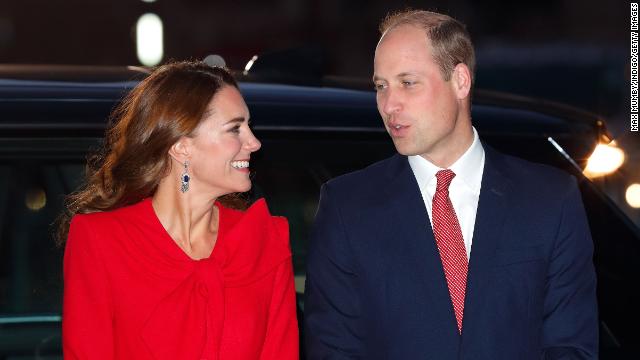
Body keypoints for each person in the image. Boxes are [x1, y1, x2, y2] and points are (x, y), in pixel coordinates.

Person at [304, 9, 598, 359]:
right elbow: (335, 351)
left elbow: (571, 346)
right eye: (380, 86)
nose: (388, 104)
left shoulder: (550, 198)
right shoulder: (347, 206)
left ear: (460, 80)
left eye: (407, 83)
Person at [59, 61, 298, 360]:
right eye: (235, 128)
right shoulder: (101, 241)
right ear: (181, 146)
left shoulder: (263, 241)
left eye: (249, 126)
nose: (254, 142)